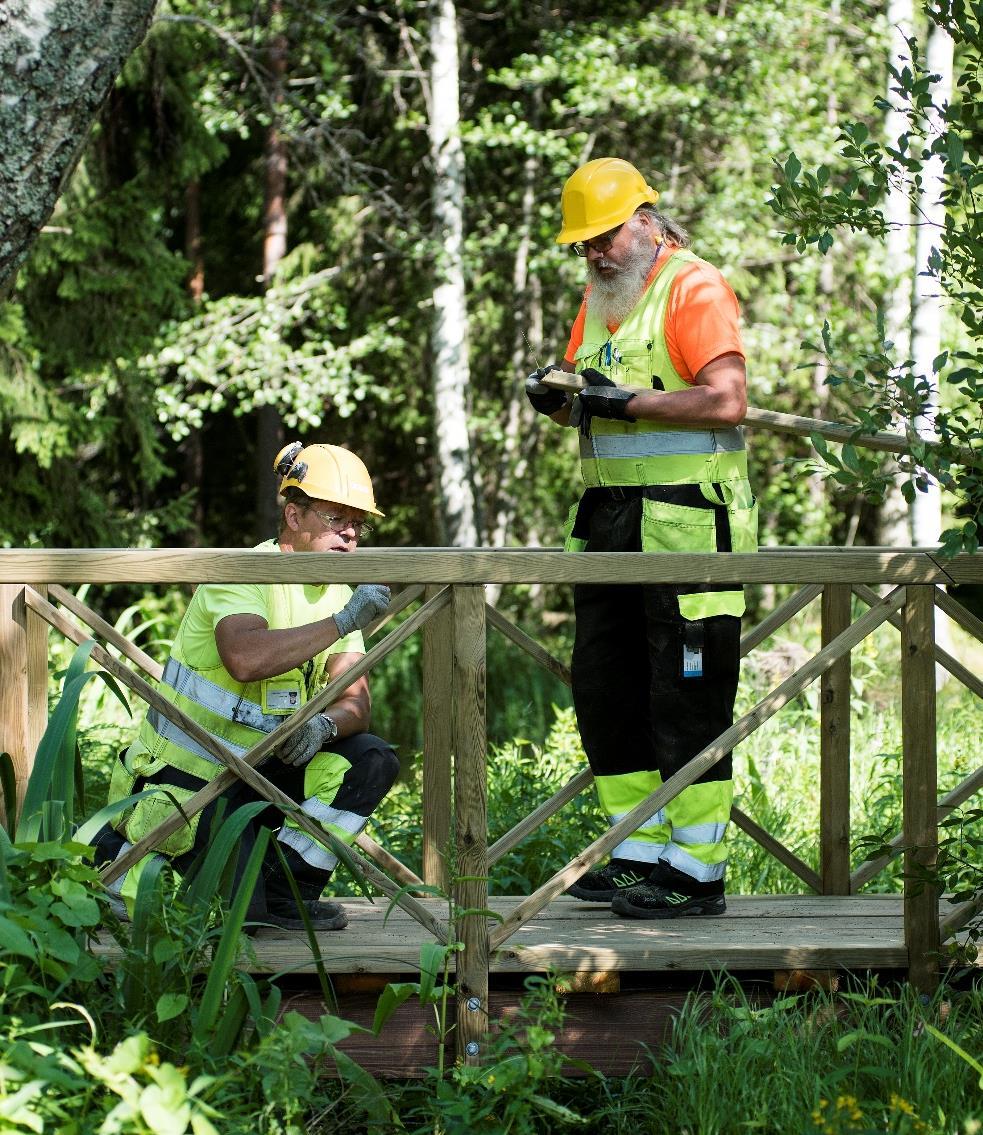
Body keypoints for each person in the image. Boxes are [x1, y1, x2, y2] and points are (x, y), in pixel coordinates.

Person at [525, 157, 757, 920]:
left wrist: (630, 403)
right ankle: (636, 851)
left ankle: (696, 871)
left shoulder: (693, 285)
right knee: (605, 687)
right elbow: (594, 401)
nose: (593, 253)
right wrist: (559, 403)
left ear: (647, 222)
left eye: (605, 236)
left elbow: (726, 403)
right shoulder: (596, 301)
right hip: (609, 526)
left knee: (686, 693)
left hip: (690, 522)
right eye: (582, 243)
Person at [94, 442, 398, 931]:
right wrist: (340, 623)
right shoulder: (242, 573)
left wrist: (325, 725)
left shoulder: (343, 595)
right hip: (192, 779)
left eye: (358, 524)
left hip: (265, 771)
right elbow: (245, 657)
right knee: (199, 922)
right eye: (336, 517)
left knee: (369, 758)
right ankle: (121, 863)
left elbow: (355, 703)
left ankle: (287, 894)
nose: (349, 534)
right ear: (294, 516)